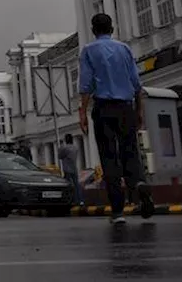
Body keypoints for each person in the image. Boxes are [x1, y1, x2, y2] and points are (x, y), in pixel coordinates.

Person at [78, 13, 154, 224]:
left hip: (103, 108)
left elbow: (86, 85)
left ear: (94, 30)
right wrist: (139, 110)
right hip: (125, 107)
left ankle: (118, 211)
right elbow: (136, 83)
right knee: (130, 150)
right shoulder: (124, 49)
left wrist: (82, 113)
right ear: (112, 28)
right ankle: (138, 184)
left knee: (109, 156)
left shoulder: (88, 51)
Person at [57, 134, 83, 206]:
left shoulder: (65, 148)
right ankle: (79, 200)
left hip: (67, 168)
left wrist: (61, 146)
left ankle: (70, 200)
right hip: (74, 168)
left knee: (67, 185)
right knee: (76, 184)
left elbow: (60, 156)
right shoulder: (75, 148)